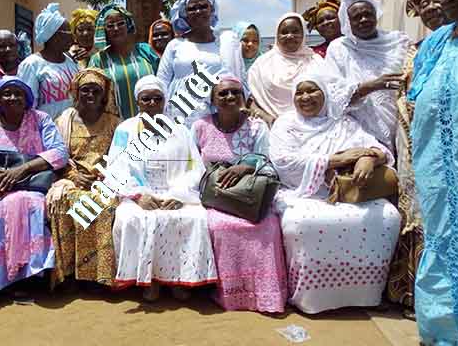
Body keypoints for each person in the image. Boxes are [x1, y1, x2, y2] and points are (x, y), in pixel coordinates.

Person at [270, 73, 400, 314]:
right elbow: (283, 162)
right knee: (302, 221)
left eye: (312, 90)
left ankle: (366, 294)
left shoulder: (342, 123)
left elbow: (377, 148)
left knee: (389, 216)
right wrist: (335, 160)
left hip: (349, 192)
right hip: (304, 193)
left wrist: (368, 159)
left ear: (325, 94)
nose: (305, 97)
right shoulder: (286, 123)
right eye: (299, 92)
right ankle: (309, 299)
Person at [107, 75, 217, 301]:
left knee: (194, 218)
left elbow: (195, 168)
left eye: (157, 99)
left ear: (164, 100)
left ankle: (178, 278)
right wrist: (138, 196)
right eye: (145, 99)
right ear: (138, 102)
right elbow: (116, 168)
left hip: (177, 194)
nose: (151, 104)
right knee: (132, 219)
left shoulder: (181, 130)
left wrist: (178, 196)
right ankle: (151, 279)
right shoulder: (125, 130)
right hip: (138, 194)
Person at [409, 0, 458, 346]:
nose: (448, 0)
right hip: (437, 168)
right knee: (442, 237)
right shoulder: (436, 44)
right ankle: (443, 330)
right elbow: (415, 95)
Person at [192, 76, 287, 313]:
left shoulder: (257, 126)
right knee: (219, 226)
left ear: (244, 97)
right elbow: (192, 164)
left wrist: (246, 165)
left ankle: (264, 295)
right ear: (212, 99)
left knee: (268, 226)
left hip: (251, 198)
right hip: (215, 197)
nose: (230, 97)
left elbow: (269, 162)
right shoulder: (200, 126)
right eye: (222, 94)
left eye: (235, 92)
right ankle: (232, 295)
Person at [0, 76, 69, 296]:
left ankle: (34, 276)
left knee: (33, 204)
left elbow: (60, 152)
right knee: (4, 207)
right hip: (2, 188)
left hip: (35, 186)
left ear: (27, 97)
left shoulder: (40, 119)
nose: (12, 97)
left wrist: (22, 169)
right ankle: (9, 278)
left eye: (18, 93)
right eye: (6, 93)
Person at [387, 0, 447, 318]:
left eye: (438, 0)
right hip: (413, 143)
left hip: (449, 145)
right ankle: (412, 293)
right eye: (425, 4)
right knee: (416, 214)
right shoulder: (415, 49)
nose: (432, 8)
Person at [47, 69, 120, 287]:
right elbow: (58, 154)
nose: (90, 95)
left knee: (104, 204)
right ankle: (69, 275)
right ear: (76, 93)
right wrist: (74, 176)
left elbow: (122, 157)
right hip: (72, 178)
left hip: (106, 180)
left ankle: (99, 276)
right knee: (62, 201)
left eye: (95, 91)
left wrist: (102, 178)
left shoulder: (115, 123)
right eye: (84, 90)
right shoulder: (65, 120)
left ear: (104, 95)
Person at [324, 0, 410, 152]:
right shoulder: (339, 49)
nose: (363, 20)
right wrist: (371, 86)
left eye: (368, 14)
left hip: (402, 124)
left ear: (376, 15)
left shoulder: (398, 42)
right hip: (358, 132)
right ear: (348, 22)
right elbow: (333, 95)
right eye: (356, 17)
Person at [158, 0, 232, 126]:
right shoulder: (175, 45)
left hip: (216, 114)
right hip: (179, 113)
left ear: (212, 9)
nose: (198, 11)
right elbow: (162, 82)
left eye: (203, 6)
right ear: (185, 14)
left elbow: (235, 78)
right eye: (192, 8)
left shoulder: (225, 43)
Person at [248, 12, 324, 126]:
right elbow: (250, 100)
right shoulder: (261, 65)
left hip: (315, 127)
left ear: (303, 33)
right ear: (277, 35)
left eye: (295, 31)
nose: (289, 36)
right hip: (272, 129)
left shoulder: (316, 61)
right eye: (284, 32)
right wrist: (268, 119)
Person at [88, 5, 159, 119]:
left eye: (121, 23)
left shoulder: (145, 51)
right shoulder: (98, 60)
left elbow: (163, 81)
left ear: (128, 25)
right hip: (117, 128)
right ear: (104, 31)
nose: (116, 28)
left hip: (152, 122)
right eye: (110, 26)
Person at [18, 3, 79, 121]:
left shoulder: (71, 63)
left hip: (71, 131)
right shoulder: (31, 65)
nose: (73, 38)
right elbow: (27, 108)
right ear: (54, 36)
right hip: (45, 132)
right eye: (68, 33)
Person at [218, 21, 262, 90]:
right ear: (235, 42)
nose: (250, 44)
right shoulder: (225, 67)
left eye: (255, 41)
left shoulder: (265, 64)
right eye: (245, 40)